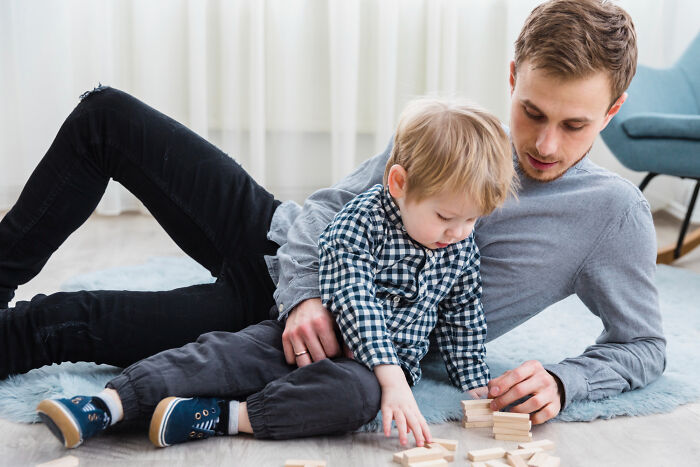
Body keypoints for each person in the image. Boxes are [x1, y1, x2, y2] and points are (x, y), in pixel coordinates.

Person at [0, 0, 664, 438]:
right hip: (284, 248)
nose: (545, 145)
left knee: (50, 327)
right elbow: (326, 209)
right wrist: (306, 294)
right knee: (106, 117)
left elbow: (644, 344)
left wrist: (563, 379)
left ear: (612, 111)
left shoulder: (611, 216)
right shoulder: (455, 135)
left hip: (297, 335)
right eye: (533, 113)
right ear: (514, 76)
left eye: (574, 125)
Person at [35, 99, 516, 449]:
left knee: (356, 398)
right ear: (398, 185)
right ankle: (110, 403)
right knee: (224, 355)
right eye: (446, 218)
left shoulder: (458, 247)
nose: (459, 232)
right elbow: (353, 296)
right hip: (311, 336)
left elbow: (462, 315)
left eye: (472, 221)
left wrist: (471, 378)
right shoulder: (361, 221)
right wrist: (392, 375)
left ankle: (225, 417)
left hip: (361, 373)